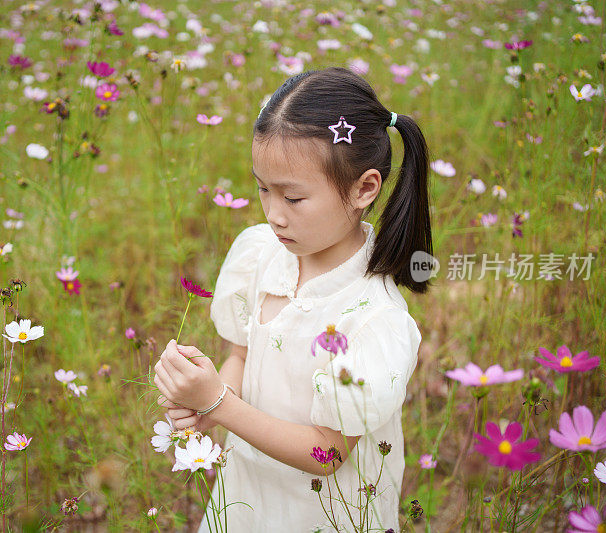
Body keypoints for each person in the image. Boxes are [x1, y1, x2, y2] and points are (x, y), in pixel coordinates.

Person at [153, 66, 432, 532]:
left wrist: (220, 404)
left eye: (294, 198)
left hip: (323, 514)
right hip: (248, 499)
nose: (274, 215)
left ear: (364, 188)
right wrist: (205, 402)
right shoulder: (263, 254)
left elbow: (327, 453)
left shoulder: (372, 319)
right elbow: (241, 356)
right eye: (263, 189)